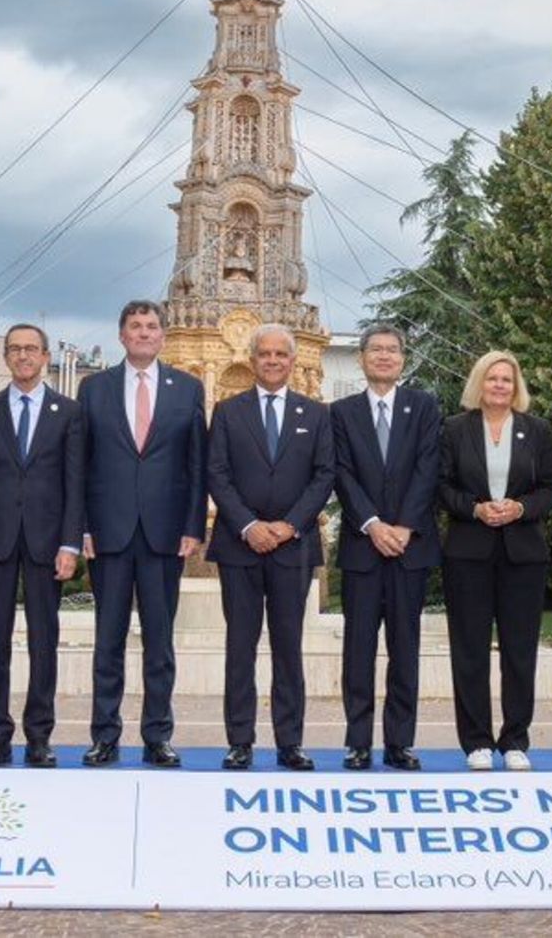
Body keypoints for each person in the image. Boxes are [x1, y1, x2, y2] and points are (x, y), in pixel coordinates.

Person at [78, 301, 206, 769]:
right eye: (135, 325)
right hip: (108, 534)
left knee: (160, 642)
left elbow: (196, 463)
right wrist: (81, 528)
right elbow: (80, 464)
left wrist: (194, 525)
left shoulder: (188, 389)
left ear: (163, 335)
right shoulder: (94, 389)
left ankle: (158, 736)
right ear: (122, 334)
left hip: (165, 536)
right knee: (107, 641)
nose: (144, 333)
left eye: (152, 326)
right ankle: (104, 736)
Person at [206, 324, 335, 772]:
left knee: (288, 646)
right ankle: (239, 741)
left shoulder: (316, 414)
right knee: (240, 646)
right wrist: (248, 525)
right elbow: (216, 473)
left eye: (282, 354)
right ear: (254, 358)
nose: (274, 360)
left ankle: (290, 743)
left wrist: (288, 526)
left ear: (293, 360)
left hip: (293, 548)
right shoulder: (227, 411)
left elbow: (324, 476)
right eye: (266, 354)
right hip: (239, 547)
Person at [0, 324, 83, 769]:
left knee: (43, 641)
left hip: (46, 542)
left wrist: (70, 543)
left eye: (31, 349)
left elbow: (76, 484)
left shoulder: (68, 412)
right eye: (14, 349)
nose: (23, 356)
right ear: (6, 358)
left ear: (46, 356)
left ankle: (39, 736)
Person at [439, 350, 552, 772]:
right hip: (468, 551)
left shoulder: (537, 430)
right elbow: (441, 486)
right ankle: (475, 741)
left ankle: (515, 740)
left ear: (516, 386)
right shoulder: (455, 430)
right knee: (469, 649)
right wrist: (474, 509)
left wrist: (521, 508)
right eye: (492, 379)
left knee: (519, 650)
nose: (499, 386)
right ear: (479, 383)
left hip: (523, 554)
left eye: (507, 380)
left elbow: (550, 488)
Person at [330, 324, 441, 772]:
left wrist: (405, 526)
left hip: (410, 549)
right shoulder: (340, 412)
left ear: (403, 359)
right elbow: (341, 472)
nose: (383, 356)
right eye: (375, 349)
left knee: (404, 648)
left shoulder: (425, 407)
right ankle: (357, 742)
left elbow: (428, 467)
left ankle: (400, 742)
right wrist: (373, 524)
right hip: (362, 547)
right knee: (358, 650)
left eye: (392, 350)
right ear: (361, 358)